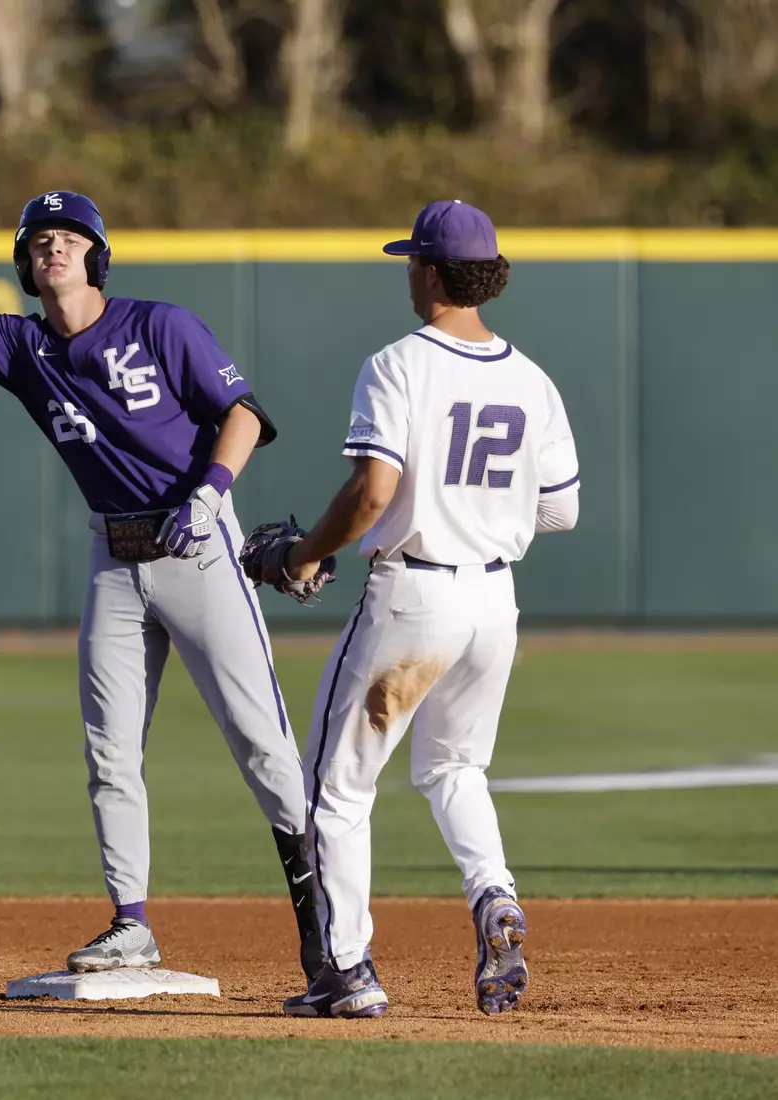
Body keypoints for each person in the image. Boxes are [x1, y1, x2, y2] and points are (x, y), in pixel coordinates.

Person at [0, 129, 322, 982]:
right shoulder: (23, 349)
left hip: (196, 543)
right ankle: (131, 923)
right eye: (39, 241)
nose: (53, 247)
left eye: (69, 237)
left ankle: (326, 922)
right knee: (109, 753)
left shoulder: (161, 325)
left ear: (97, 256)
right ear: (26, 265)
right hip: (115, 558)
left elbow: (244, 413)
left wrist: (210, 492)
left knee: (260, 742)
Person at [250, 200, 580, 1019]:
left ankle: (347, 972)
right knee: (455, 769)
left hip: (415, 595)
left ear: (431, 273)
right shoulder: (532, 379)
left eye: (412, 262)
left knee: (336, 789)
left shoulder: (398, 364)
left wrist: (304, 553)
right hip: (494, 600)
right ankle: (494, 894)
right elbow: (560, 510)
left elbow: (374, 492)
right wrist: (482, 511)